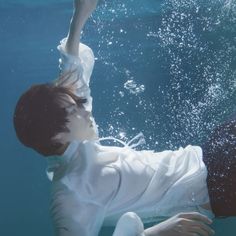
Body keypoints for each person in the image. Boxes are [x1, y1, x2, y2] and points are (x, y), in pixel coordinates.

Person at [13, 0, 236, 235]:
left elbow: (71, 68)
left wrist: (79, 15)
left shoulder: (75, 141)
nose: (85, 110)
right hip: (217, 187)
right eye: (74, 111)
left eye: (76, 104)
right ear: (57, 134)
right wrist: (157, 232)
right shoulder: (70, 196)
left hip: (207, 155)